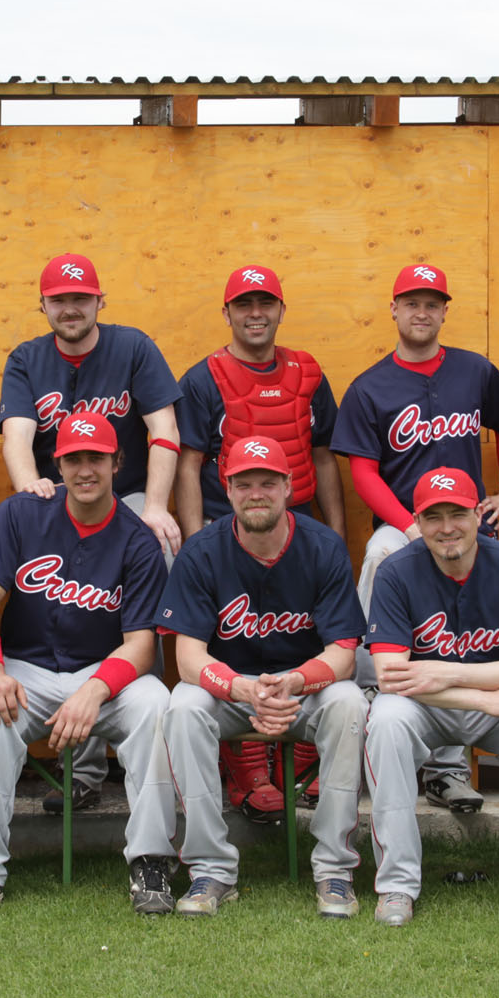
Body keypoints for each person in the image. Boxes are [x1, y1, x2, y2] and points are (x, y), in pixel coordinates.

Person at [0, 412, 176, 914]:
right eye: (74, 459)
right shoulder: (21, 514)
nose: (85, 470)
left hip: (105, 672)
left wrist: (94, 690)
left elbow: (141, 644)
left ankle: (151, 862)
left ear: (117, 462)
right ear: (58, 464)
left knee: (156, 705)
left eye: (96, 458)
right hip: (25, 670)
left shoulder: (138, 539)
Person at [331, 263, 499, 814]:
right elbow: (364, 472)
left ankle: (447, 770)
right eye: (412, 302)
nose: (422, 312)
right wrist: (408, 525)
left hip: (467, 527)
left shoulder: (475, 371)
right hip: (404, 525)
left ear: (444, 311)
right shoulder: (370, 386)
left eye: (432, 303)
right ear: (394, 309)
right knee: (381, 555)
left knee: (457, 640)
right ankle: (372, 689)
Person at [0, 252, 183, 810]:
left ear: (100, 300)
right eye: (60, 299)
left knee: (156, 554)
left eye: (81, 298)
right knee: (62, 593)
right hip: (57, 496)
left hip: (124, 493)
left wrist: (155, 506)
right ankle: (83, 768)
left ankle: (151, 737)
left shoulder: (133, 347)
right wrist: (29, 495)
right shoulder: (27, 357)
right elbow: (17, 437)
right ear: (43, 305)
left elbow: (163, 429)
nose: (71, 308)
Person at [159, 436, 368, 919]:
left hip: (303, 690)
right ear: (227, 489)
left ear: (289, 486)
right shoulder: (201, 551)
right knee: (184, 706)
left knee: (349, 703)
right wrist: (243, 688)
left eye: (268, 483)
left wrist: (292, 682)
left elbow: (343, 654)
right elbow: (187, 657)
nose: (256, 493)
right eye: (244, 484)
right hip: (233, 691)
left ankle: (335, 869)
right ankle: (210, 868)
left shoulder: (323, 546)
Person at [173, 264, 345, 822]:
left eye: (265, 303)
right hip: (227, 525)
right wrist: (197, 541)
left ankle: (301, 756)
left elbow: (323, 455)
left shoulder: (308, 373)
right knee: (234, 638)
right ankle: (247, 765)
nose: (255, 313)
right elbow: (189, 462)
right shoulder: (204, 378)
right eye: (244, 304)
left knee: (304, 638)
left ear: (280, 310)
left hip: (299, 524)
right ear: (226, 312)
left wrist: (337, 532)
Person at [363, 467, 499, 927]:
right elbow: (391, 677)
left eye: (457, 513)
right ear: (417, 521)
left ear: (478, 515)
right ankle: (397, 884)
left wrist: (446, 672)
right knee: (386, 717)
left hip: (488, 701)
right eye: (432, 517)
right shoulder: (396, 571)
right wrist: (481, 699)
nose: (446, 527)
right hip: (430, 707)